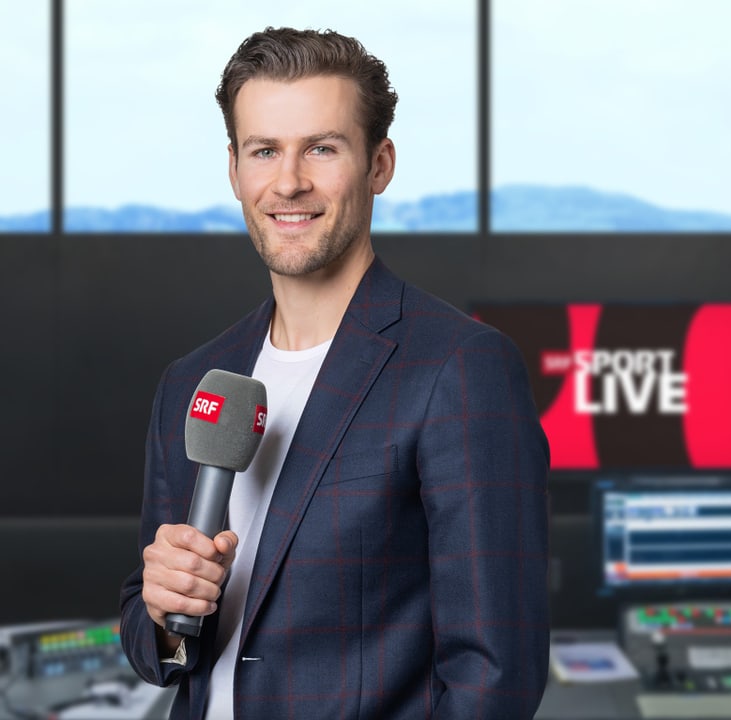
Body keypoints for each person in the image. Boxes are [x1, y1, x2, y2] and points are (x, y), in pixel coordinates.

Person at [119, 26, 551, 720]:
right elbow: (154, 652)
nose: (289, 181)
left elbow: (496, 675)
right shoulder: (194, 382)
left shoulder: (460, 369)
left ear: (379, 165)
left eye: (322, 148)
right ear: (235, 170)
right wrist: (169, 615)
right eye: (264, 151)